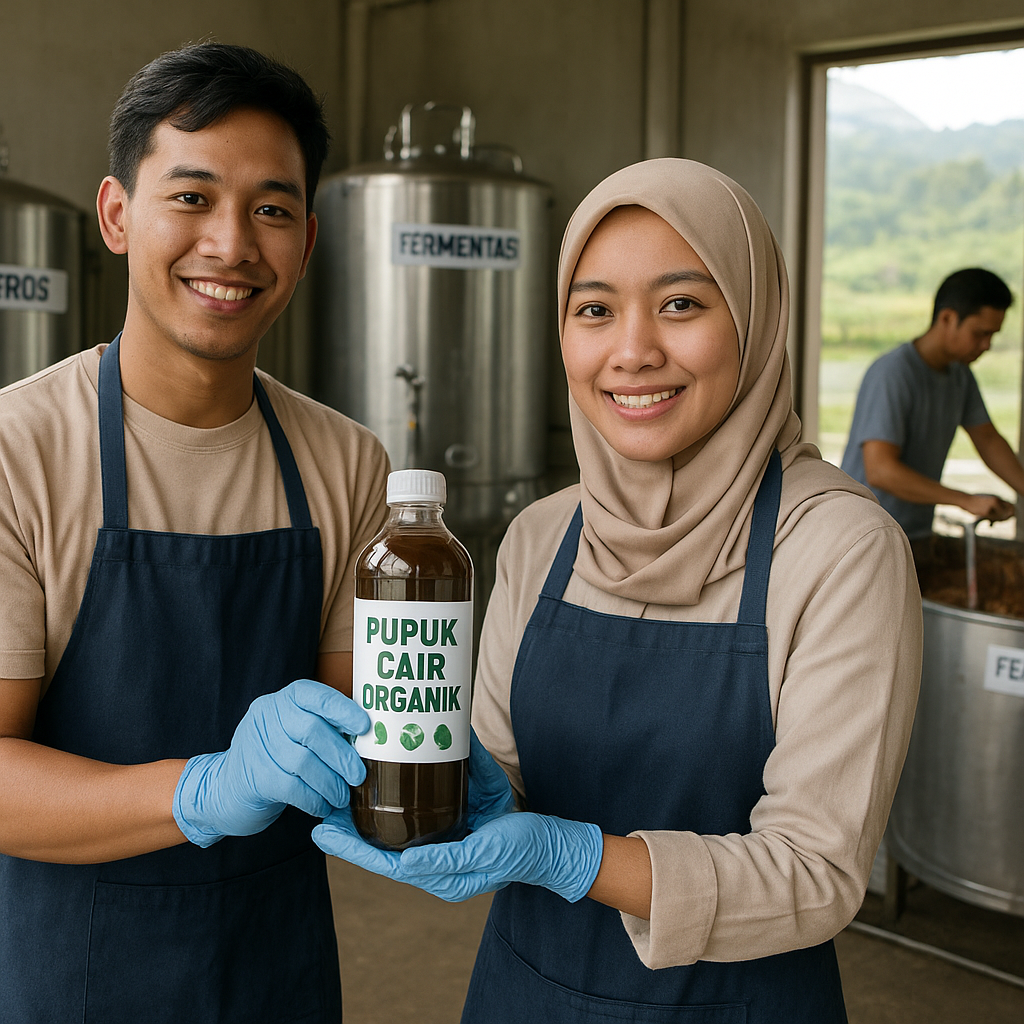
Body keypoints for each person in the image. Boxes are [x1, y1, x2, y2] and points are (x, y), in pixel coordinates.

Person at [314, 159, 923, 1022]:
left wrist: (578, 857)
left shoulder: (839, 548)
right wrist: (420, 777)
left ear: (754, 319)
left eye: (681, 304)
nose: (633, 351)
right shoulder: (541, 535)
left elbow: (816, 874)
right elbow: (503, 770)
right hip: (523, 992)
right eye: (594, 309)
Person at [0, 43, 388, 1022]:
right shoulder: (21, 450)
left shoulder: (345, 465)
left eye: (271, 208)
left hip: (279, 965)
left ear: (306, 241)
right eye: (192, 196)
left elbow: (364, 735)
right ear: (118, 216)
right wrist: (202, 788)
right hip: (69, 969)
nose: (232, 243)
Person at [841, 268, 1021, 542]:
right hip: (863, 537)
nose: (987, 345)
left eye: (992, 336)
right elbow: (880, 470)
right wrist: (966, 500)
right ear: (947, 318)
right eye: (980, 333)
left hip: (912, 534)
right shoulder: (893, 372)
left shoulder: (960, 375)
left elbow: (988, 440)